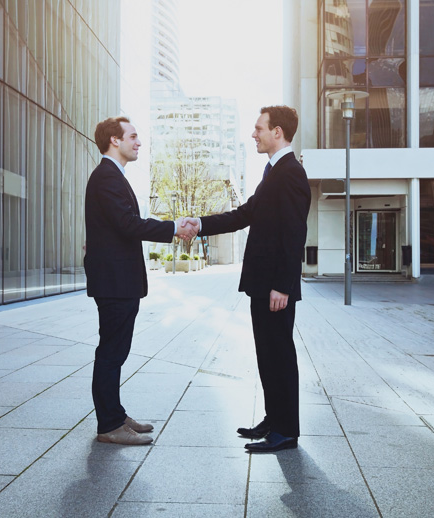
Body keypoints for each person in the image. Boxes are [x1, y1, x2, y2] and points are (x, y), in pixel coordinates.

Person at [182, 106, 311, 452]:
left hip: (275, 287)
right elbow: (246, 214)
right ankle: (274, 420)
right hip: (262, 284)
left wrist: (283, 285)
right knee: (267, 355)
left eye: (259, 128)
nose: (254, 134)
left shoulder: (291, 173)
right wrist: (201, 223)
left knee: (279, 355)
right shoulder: (273, 172)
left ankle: (286, 431)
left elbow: (295, 233)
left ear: (278, 132)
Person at [85, 116, 197, 445]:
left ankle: (116, 415)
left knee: (115, 351)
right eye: (132, 137)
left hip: (119, 281)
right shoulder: (106, 177)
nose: (138, 142)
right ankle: (108, 424)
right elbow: (128, 224)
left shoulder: (112, 176)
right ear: (113, 141)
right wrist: (174, 227)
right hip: (114, 283)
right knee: (110, 353)